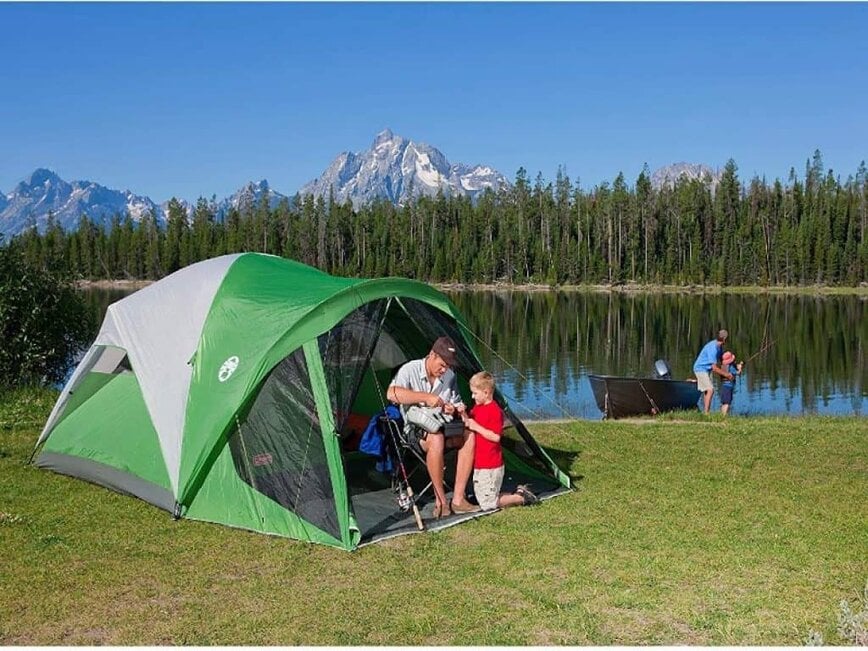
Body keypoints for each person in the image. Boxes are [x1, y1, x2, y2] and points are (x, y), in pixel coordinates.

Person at [387, 336, 479, 519]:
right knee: (435, 437)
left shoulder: (449, 376)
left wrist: (455, 409)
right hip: (415, 431)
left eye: (448, 366)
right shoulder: (410, 369)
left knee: (469, 435)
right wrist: (425, 397)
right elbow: (392, 394)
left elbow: (456, 402)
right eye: (442, 364)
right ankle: (441, 501)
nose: (444, 370)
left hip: (444, 424)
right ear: (432, 355)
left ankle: (458, 499)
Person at [462, 371, 538, 511]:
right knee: (485, 496)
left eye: (475, 393)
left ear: (486, 392)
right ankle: (518, 492)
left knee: (487, 504)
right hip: (480, 462)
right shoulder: (478, 408)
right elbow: (470, 422)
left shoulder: (494, 411)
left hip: (491, 464)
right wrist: (462, 413)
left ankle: (520, 497)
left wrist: (476, 427)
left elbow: (496, 437)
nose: (472, 396)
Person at [693, 329, 733, 414]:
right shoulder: (713, 348)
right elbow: (714, 368)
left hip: (706, 370)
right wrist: (726, 375)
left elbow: (722, 361)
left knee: (707, 390)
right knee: (710, 389)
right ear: (724, 339)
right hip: (700, 369)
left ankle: (693, 382)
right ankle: (706, 414)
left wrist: (734, 366)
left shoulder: (719, 347)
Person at [719, 351, 744, 416]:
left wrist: (737, 366)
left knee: (724, 402)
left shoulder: (724, 366)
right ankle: (724, 416)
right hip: (728, 387)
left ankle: (722, 415)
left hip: (723, 386)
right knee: (727, 403)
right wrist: (740, 368)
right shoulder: (731, 367)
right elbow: (738, 373)